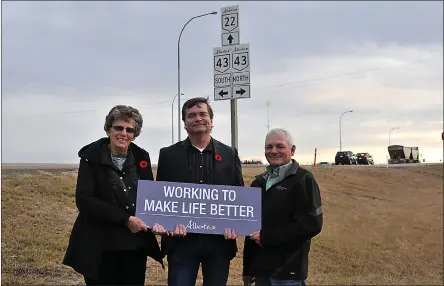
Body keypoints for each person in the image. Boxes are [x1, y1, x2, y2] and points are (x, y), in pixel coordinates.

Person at [63, 105, 163, 285]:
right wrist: (125, 219)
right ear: (109, 129)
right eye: (118, 127)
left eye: (129, 129)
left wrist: (157, 220)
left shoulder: (142, 158)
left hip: (134, 246)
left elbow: (148, 198)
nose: (123, 133)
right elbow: (85, 200)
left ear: (135, 134)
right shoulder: (90, 157)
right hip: (100, 245)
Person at [153, 97, 244, 286]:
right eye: (191, 115)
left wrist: (236, 225)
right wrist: (167, 225)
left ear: (211, 120)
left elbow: (239, 194)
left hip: (219, 242)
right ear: (184, 123)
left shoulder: (229, 154)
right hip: (181, 242)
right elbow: (161, 197)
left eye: (203, 114)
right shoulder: (168, 155)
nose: (198, 118)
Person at [243, 128, 323, 286]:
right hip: (261, 271)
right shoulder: (258, 182)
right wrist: (248, 269)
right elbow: (250, 228)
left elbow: (311, 224)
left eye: (280, 146)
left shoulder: (303, 180)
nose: (274, 151)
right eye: (269, 147)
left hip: (288, 273)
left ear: (292, 150)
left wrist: (267, 236)